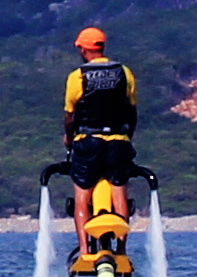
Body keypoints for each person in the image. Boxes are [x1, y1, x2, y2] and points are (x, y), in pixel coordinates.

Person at [52, 25, 147, 199]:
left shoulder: (78, 76)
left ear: (83, 49)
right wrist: (127, 138)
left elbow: (69, 117)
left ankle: (82, 226)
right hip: (118, 140)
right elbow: (132, 113)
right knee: (119, 192)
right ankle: (121, 221)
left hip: (88, 141)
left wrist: (69, 138)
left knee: (82, 195)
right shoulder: (124, 73)